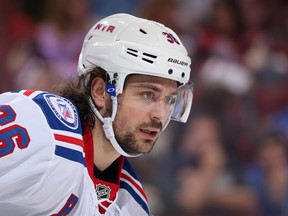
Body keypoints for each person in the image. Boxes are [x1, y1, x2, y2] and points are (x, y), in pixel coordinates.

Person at [0, 13, 193, 215]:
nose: (160, 115)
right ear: (101, 92)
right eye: (148, 95)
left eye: (170, 100)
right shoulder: (41, 125)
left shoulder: (131, 204)